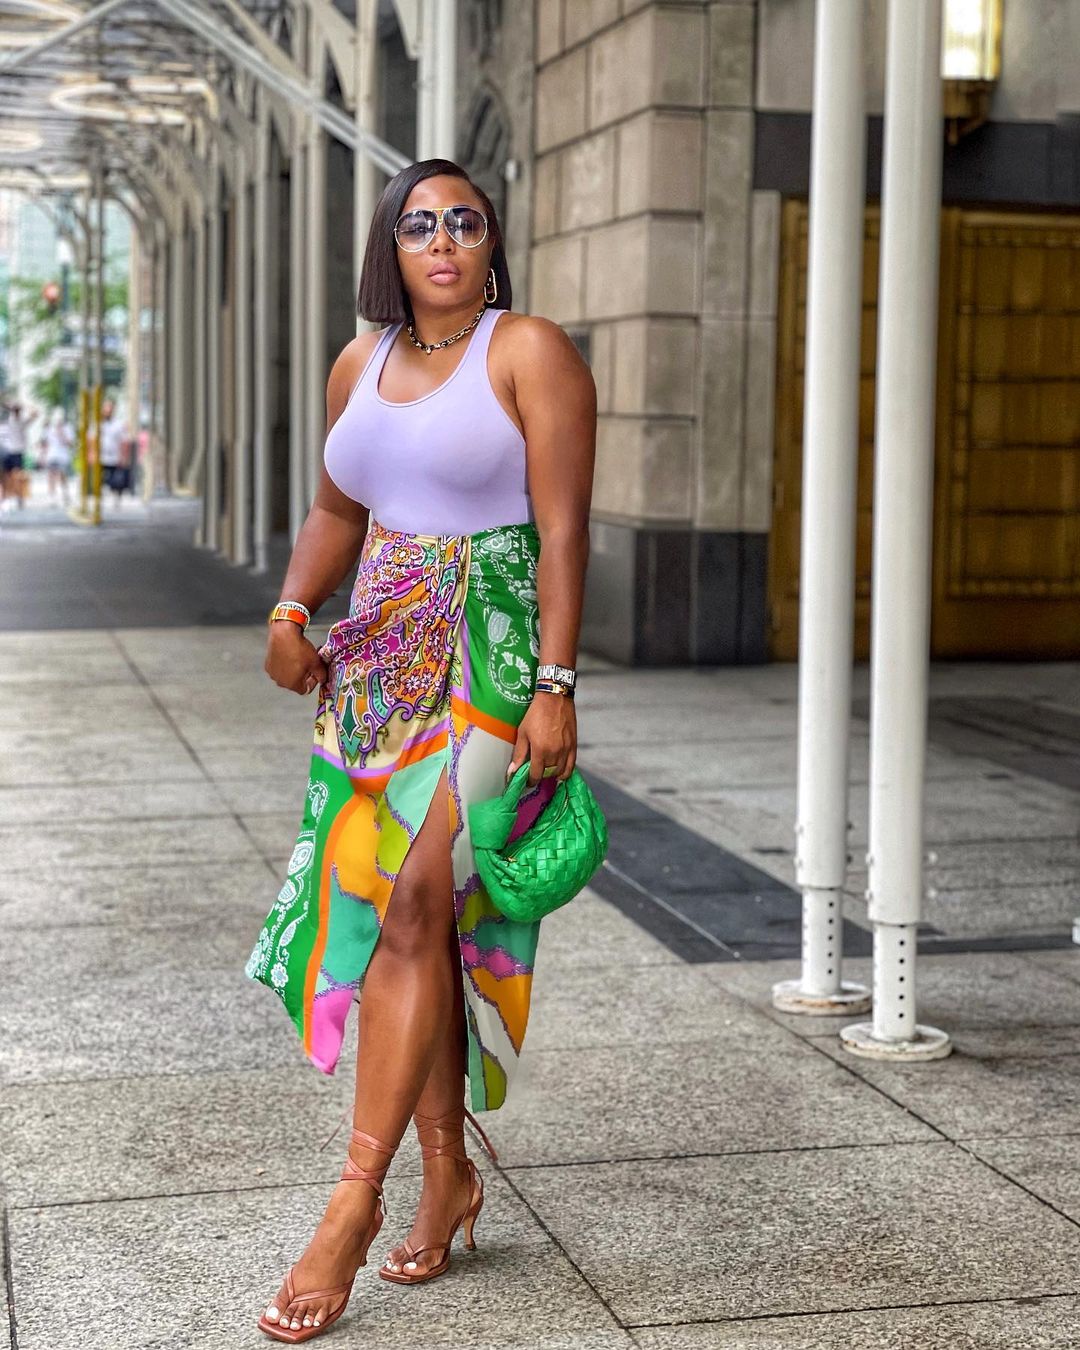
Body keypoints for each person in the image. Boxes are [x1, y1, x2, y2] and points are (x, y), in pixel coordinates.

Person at [247, 159, 597, 1343]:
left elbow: (564, 530)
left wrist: (556, 686)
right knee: (415, 923)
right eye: (419, 225)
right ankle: (446, 1173)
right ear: (389, 249)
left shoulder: (527, 351)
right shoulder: (360, 363)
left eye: (464, 222)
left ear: (491, 244)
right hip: (379, 659)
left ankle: (352, 1201)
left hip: (492, 652)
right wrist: (292, 609)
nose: (443, 240)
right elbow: (339, 508)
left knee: (410, 902)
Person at [98, 399, 128, 504]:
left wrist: (123, 457)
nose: (107, 411)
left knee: (116, 479)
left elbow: (123, 441)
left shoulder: (118, 424)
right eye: (106, 408)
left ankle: (116, 496)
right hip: (101, 456)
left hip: (114, 457)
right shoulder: (98, 423)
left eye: (110, 408)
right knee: (101, 478)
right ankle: (102, 496)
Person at [43, 408, 74, 505]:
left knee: (62, 475)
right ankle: (52, 496)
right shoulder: (49, 428)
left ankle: (65, 494)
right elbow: (46, 443)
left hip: (63, 456)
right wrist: (43, 455)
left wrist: (61, 433)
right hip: (52, 455)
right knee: (51, 475)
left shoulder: (68, 428)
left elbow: (70, 443)